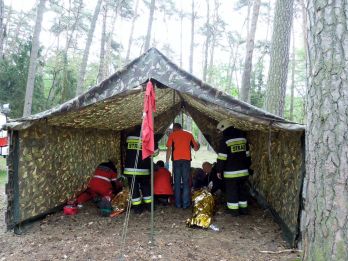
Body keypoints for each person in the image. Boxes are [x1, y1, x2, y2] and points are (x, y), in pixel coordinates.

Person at [216, 119, 252, 217]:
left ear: (224, 128)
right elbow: (248, 155)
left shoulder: (225, 140)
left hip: (231, 173)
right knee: (242, 191)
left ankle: (234, 211)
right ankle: (243, 209)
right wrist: (247, 167)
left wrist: (219, 170)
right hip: (244, 172)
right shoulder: (243, 138)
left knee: (232, 192)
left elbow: (222, 157)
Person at [123, 126, 157, 214]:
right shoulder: (148, 137)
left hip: (130, 169)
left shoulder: (129, 136)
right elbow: (155, 152)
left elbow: (125, 147)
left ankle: (137, 209)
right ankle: (150, 207)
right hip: (143, 169)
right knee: (146, 187)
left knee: (133, 189)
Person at [166, 123, 200, 209]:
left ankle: (177, 204)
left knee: (176, 183)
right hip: (186, 161)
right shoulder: (189, 135)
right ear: (181, 128)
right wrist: (198, 144)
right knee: (186, 183)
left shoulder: (172, 135)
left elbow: (169, 149)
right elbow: (196, 148)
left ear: (175, 128)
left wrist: (167, 162)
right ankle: (186, 204)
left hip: (176, 161)